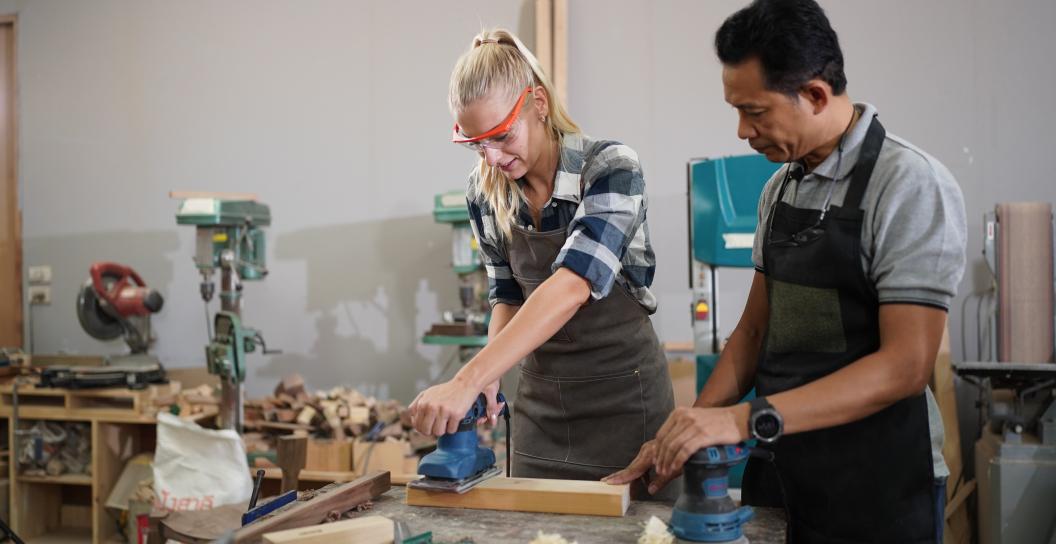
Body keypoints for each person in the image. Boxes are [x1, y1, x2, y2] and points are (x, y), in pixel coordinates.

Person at [604, 0, 966, 540]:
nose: (742, 131)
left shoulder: (907, 185)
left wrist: (742, 419)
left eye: (755, 112)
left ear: (816, 95)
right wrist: (684, 430)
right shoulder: (779, 189)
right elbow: (753, 333)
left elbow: (905, 366)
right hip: (782, 473)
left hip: (877, 486)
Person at [407, 28, 675, 492]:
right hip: (542, 409)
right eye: (476, 144)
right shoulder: (484, 192)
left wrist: (468, 378)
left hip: (626, 402)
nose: (491, 158)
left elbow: (572, 285)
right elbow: (507, 295)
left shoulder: (610, 168)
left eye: (501, 136)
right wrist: (490, 378)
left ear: (539, 104)